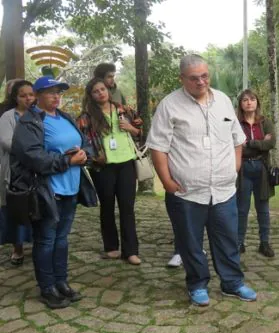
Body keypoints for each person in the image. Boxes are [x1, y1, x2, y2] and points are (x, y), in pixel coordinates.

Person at [147, 54, 256, 306]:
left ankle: (232, 283)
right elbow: (158, 147)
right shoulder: (169, 105)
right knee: (190, 241)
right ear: (182, 78)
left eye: (205, 76)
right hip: (186, 192)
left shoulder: (224, 101)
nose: (201, 82)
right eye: (194, 78)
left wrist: (235, 166)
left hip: (223, 190)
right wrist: (167, 182)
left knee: (228, 239)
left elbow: (237, 139)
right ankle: (197, 284)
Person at [10, 76, 89, 309]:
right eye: (50, 92)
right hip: (46, 190)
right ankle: (47, 288)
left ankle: (61, 282)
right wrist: (67, 161)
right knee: (46, 239)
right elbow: (32, 156)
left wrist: (84, 153)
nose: (56, 96)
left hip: (71, 188)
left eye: (59, 92)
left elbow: (82, 142)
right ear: (37, 95)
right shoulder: (30, 121)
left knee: (62, 239)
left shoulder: (65, 117)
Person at [77, 77, 142, 265]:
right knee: (107, 207)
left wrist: (131, 128)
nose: (101, 93)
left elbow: (141, 130)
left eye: (103, 89)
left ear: (108, 90)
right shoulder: (86, 117)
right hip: (103, 166)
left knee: (127, 208)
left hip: (126, 163)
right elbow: (81, 141)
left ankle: (131, 251)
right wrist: (92, 157)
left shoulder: (124, 109)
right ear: (91, 95)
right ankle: (111, 248)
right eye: (96, 91)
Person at [236, 89, 276, 257]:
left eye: (252, 99)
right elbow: (236, 145)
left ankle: (264, 243)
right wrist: (260, 143)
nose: (249, 102)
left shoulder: (265, 122)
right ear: (240, 104)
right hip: (244, 169)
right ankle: (239, 243)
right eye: (245, 100)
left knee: (263, 209)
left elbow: (271, 143)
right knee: (241, 209)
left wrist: (250, 143)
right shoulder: (236, 123)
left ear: (257, 102)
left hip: (262, 168)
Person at [0, 80, 35, 265]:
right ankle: (17, 247)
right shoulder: (8, 116)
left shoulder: (39, 114)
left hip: (36, 170)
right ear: (16, 97)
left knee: (37, 206)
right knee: (16, 207)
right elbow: (7, 141)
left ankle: (39, 244)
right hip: (14, 171)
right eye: (23, 95)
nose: (28, 98)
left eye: (31, 94)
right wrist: (33, 151)